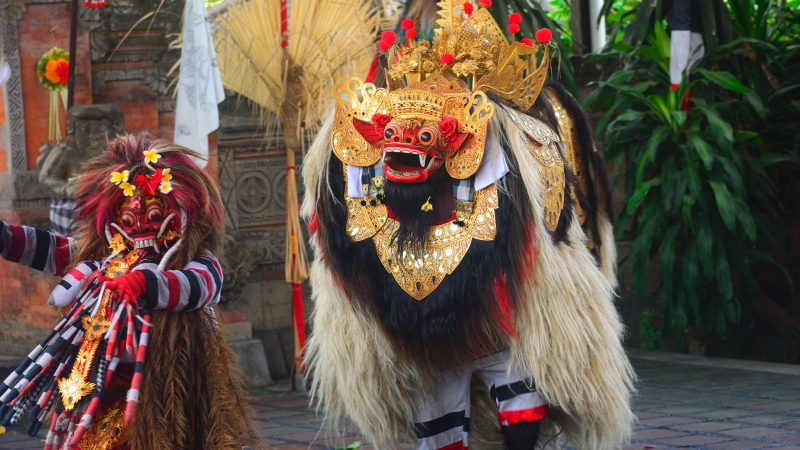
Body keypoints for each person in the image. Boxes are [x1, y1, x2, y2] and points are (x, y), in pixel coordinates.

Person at [302, 2, 634, 449]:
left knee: (513, 372)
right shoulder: (361, 183)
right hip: (425, 337)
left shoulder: (498, 167)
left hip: (500, 319)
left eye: (420, 136)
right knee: (439, 398)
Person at [0, 133, 257, 449]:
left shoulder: (193, 259)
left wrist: (148, 285)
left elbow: (200, 285)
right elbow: (57, 251)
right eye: (128, 218)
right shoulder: (107, 255)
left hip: (163, 383)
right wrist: (6, 238)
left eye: (153, 216)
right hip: (100, 377)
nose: (140, 228)